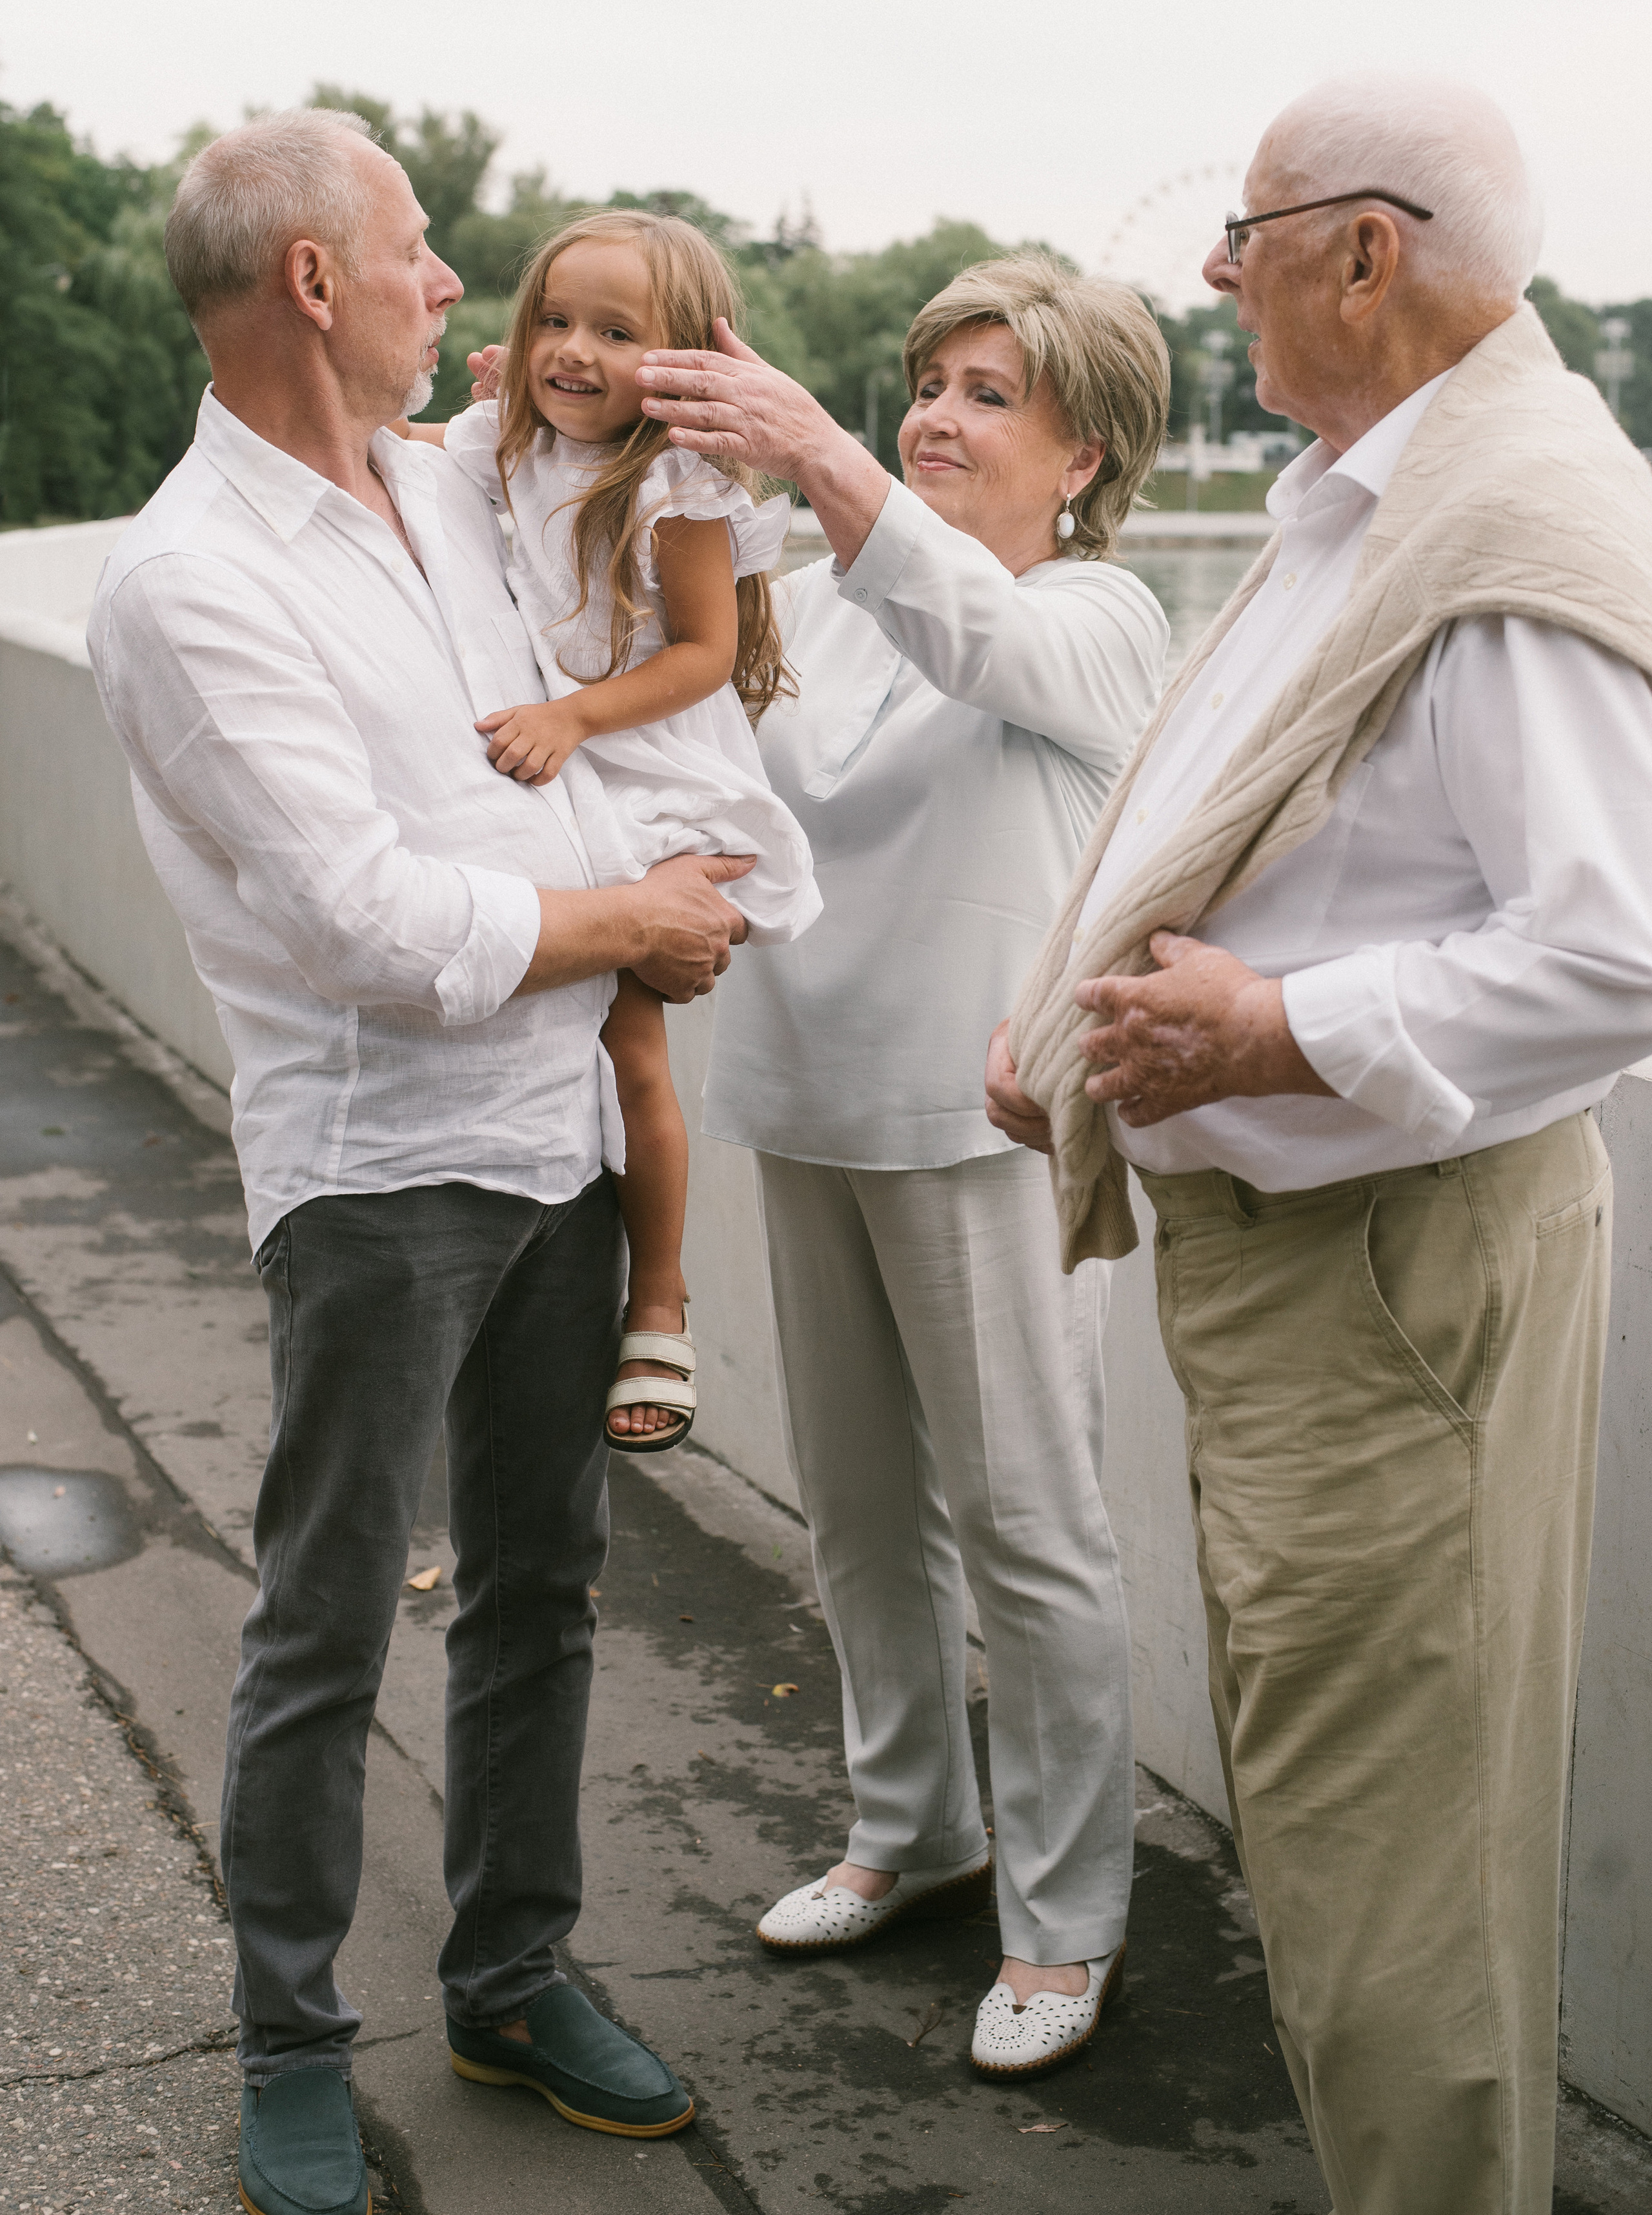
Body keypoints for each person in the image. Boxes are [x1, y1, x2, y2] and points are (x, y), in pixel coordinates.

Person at [989, 77, 1652, 2213]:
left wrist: (1278, 1023)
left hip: (1392, 1272)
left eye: (1247, 225)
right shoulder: (1377, 501)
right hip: (1329, 1264)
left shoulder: (1512, 536)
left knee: (1399, 1897)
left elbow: (1621, 947)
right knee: (1349, 1830)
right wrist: (1093, 1026)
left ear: (1368, 253)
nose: (1211, 266)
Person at [86, 108, 750, 2215]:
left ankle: (511, 1974)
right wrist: (637, 923)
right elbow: (371, 924)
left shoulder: (448, 491)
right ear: (312, 280)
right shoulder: (192, 583)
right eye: (420, 248)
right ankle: (293, 2039)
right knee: (329, 1609)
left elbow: (618, 530)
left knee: (543, 1585)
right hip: (386, 1169)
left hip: (559, 1131)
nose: (452, 282)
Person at [632, 256, 1171, 2076]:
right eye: (927, 380)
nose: (938, 411)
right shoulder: (827, 596)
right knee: (860, 1513)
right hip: (807, 1086)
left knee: (1033, 1526)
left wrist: (818, 448)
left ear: (1085, 449)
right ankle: (913, 1826)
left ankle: (1068, 1916)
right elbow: (656, 646)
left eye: (991, 392)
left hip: (985, 1121)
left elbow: (979, 639)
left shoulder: (1105, 615)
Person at [399, 210, 819, 1453]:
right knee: (562, 1018)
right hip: (560, 754)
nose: (574, 350)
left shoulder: (676, 486)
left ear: (681, 360)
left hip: (642, 764)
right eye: (555, 322)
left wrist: (577, 715)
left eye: (616, 332)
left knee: (631, 1035)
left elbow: (705, 653)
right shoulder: (505, 442)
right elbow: (412, 452)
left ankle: (661, 1298)